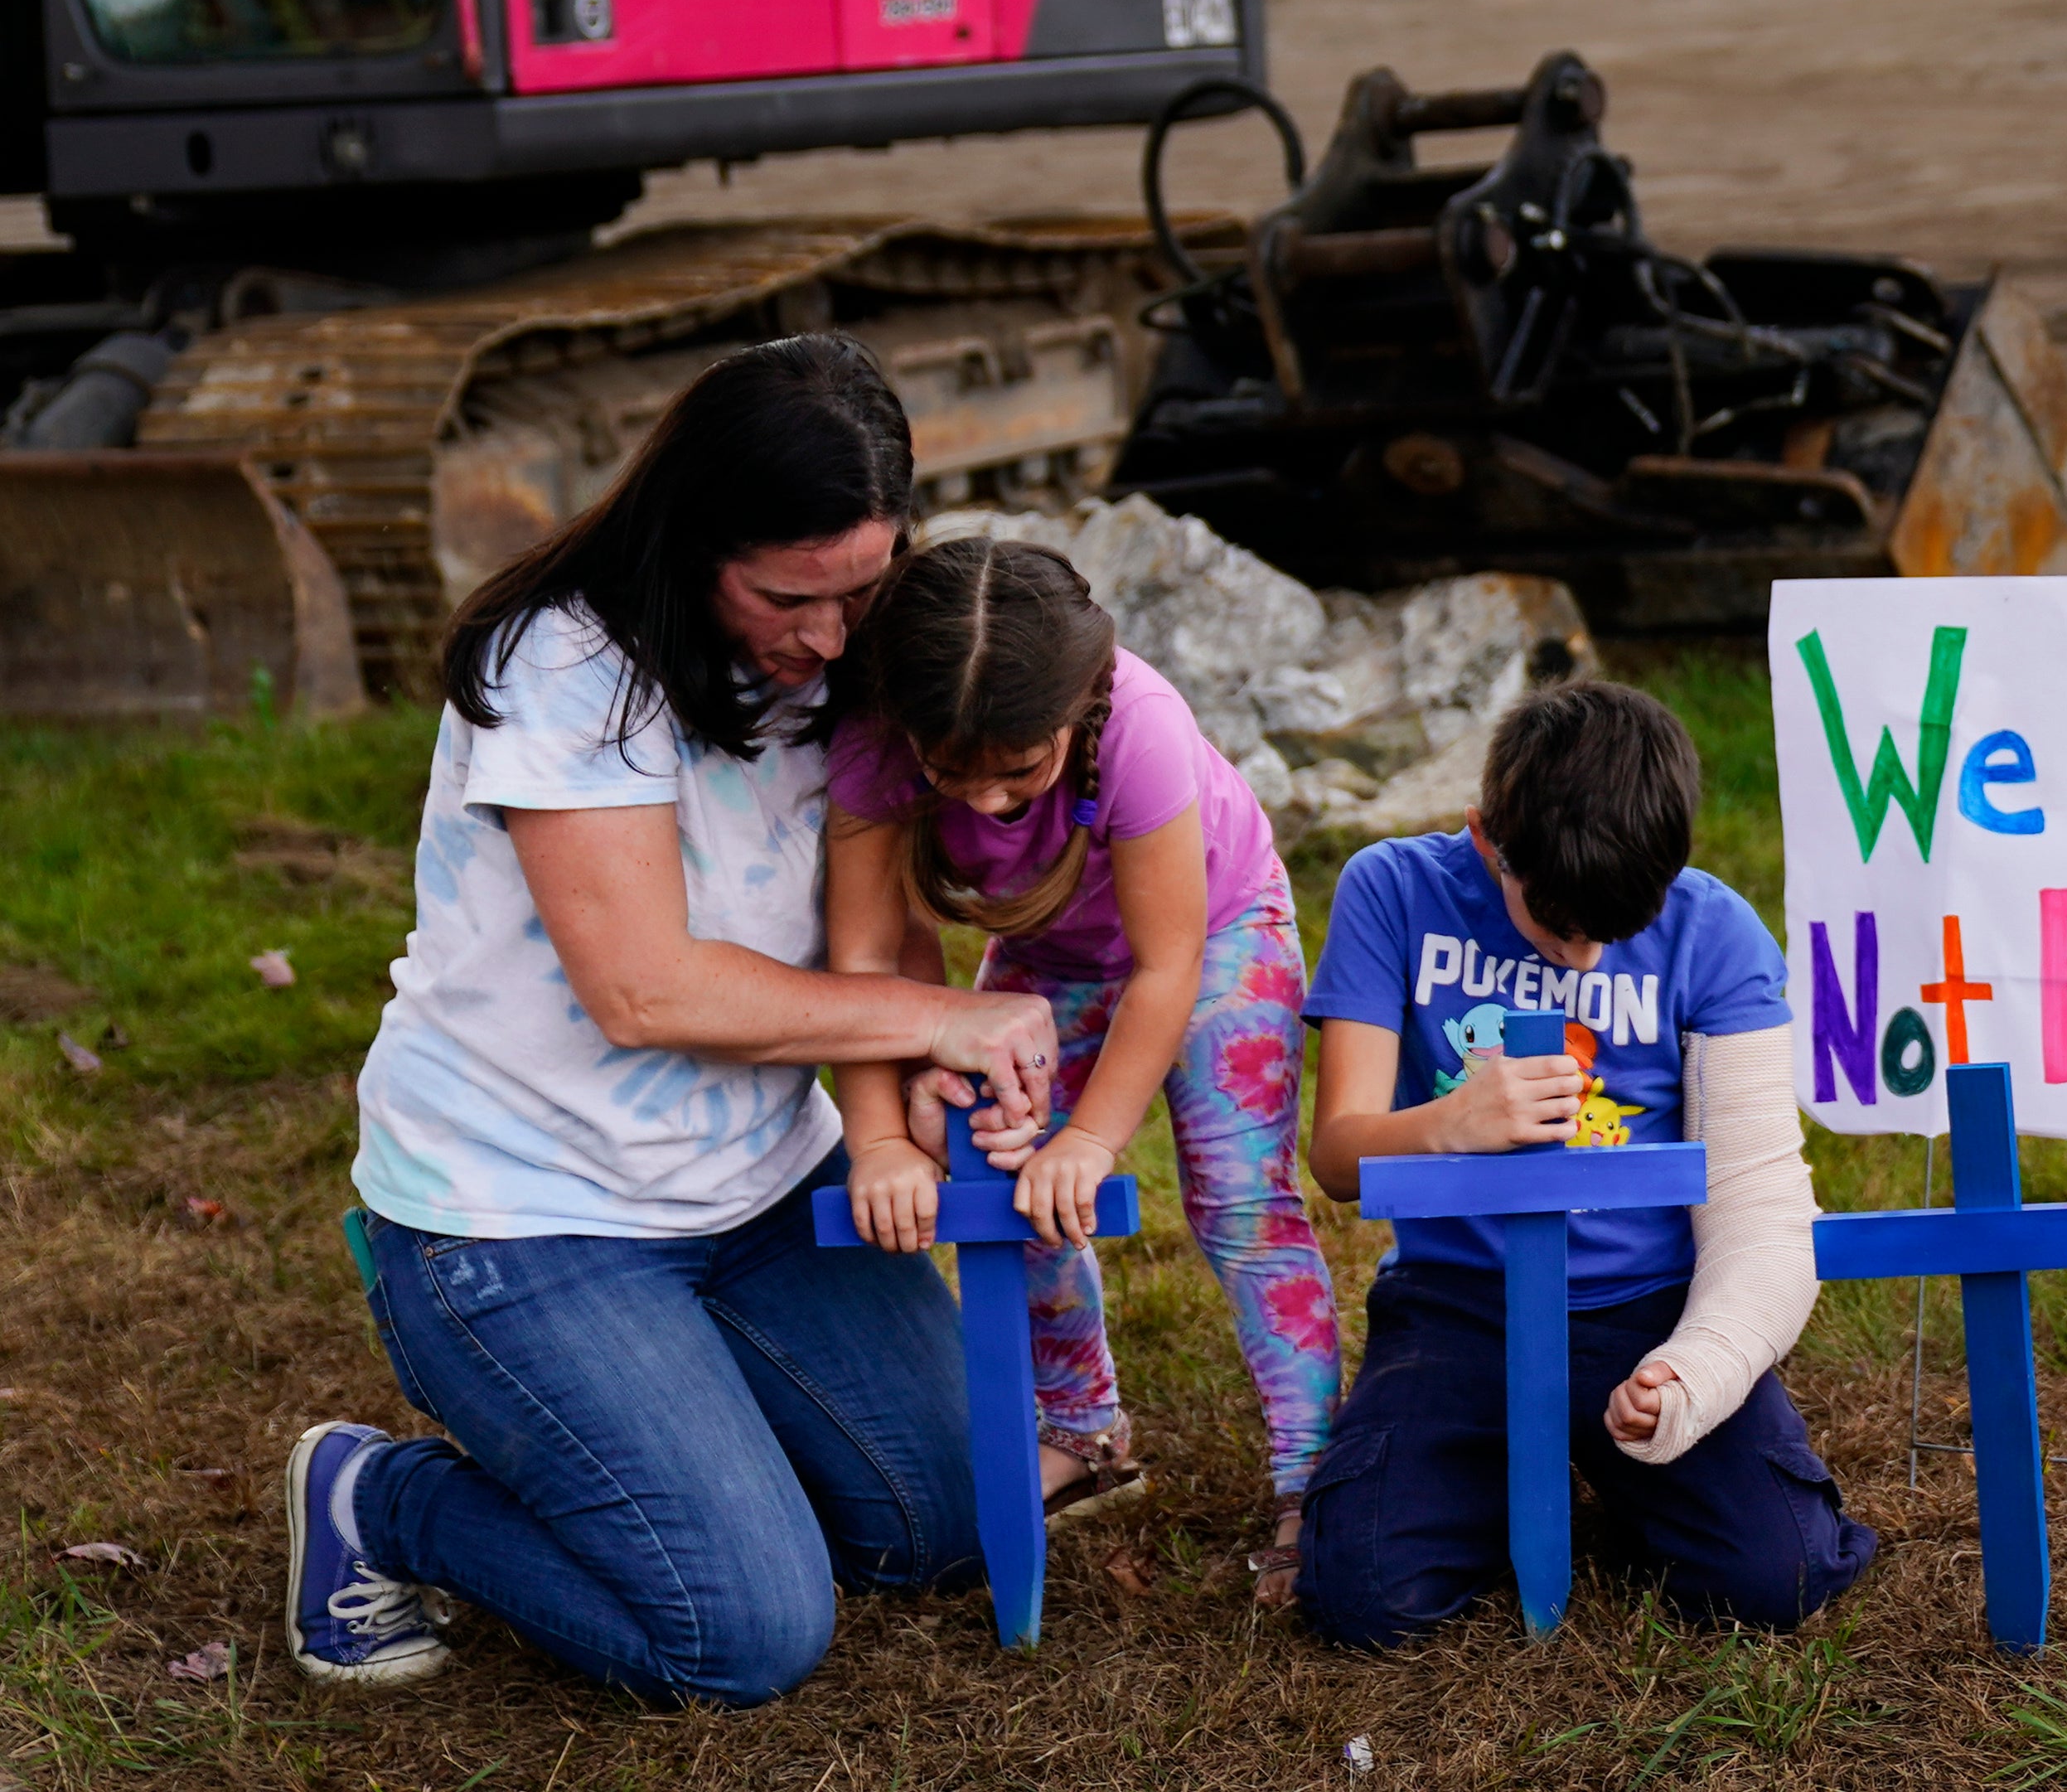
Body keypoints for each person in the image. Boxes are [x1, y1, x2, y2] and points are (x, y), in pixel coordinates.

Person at [293, 334, 1058, 1704]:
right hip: (528, 1216)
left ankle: (700, 1446)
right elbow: (643, 989)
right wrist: (929, 1016)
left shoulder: (853, 644)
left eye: (862, 588)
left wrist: (913, 1091)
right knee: (742, 1634)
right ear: (693, 538)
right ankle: (379, 1498)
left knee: (950, 1523)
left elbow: (876, 909)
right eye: (787, 596)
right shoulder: (561, 663)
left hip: (761, 1186)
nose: (831, 637)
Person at [1294, 679, 1873, 1642]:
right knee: (1360, 1596)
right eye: (1558, 922)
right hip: (1461, 1298)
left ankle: (1587, 1471)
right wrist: (1452, 1119)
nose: (1588, 956)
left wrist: (1695, 1368)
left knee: (1783, 1577)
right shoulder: (1392, 890)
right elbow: (1339, 1156)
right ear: (1488, 840)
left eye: (1616, 927)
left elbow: (1760, 1205)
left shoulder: (1717, 933)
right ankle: (1497, 1480)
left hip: (1648, 1306)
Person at [821, 536, 1342, 1603]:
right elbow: (865, 961)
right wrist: (876, 1136)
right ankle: (1085, 1426)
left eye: (1020, 773)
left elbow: (1167, 967)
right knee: (1002, 1173)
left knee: (1239, 1198)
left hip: (1215, 932)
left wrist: (1093, 1138)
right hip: (1045, 956)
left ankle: (1315, 1475)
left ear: (1078, 704)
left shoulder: (1140, 723)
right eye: (951, 777)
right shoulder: (873, 741)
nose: (990, 805)